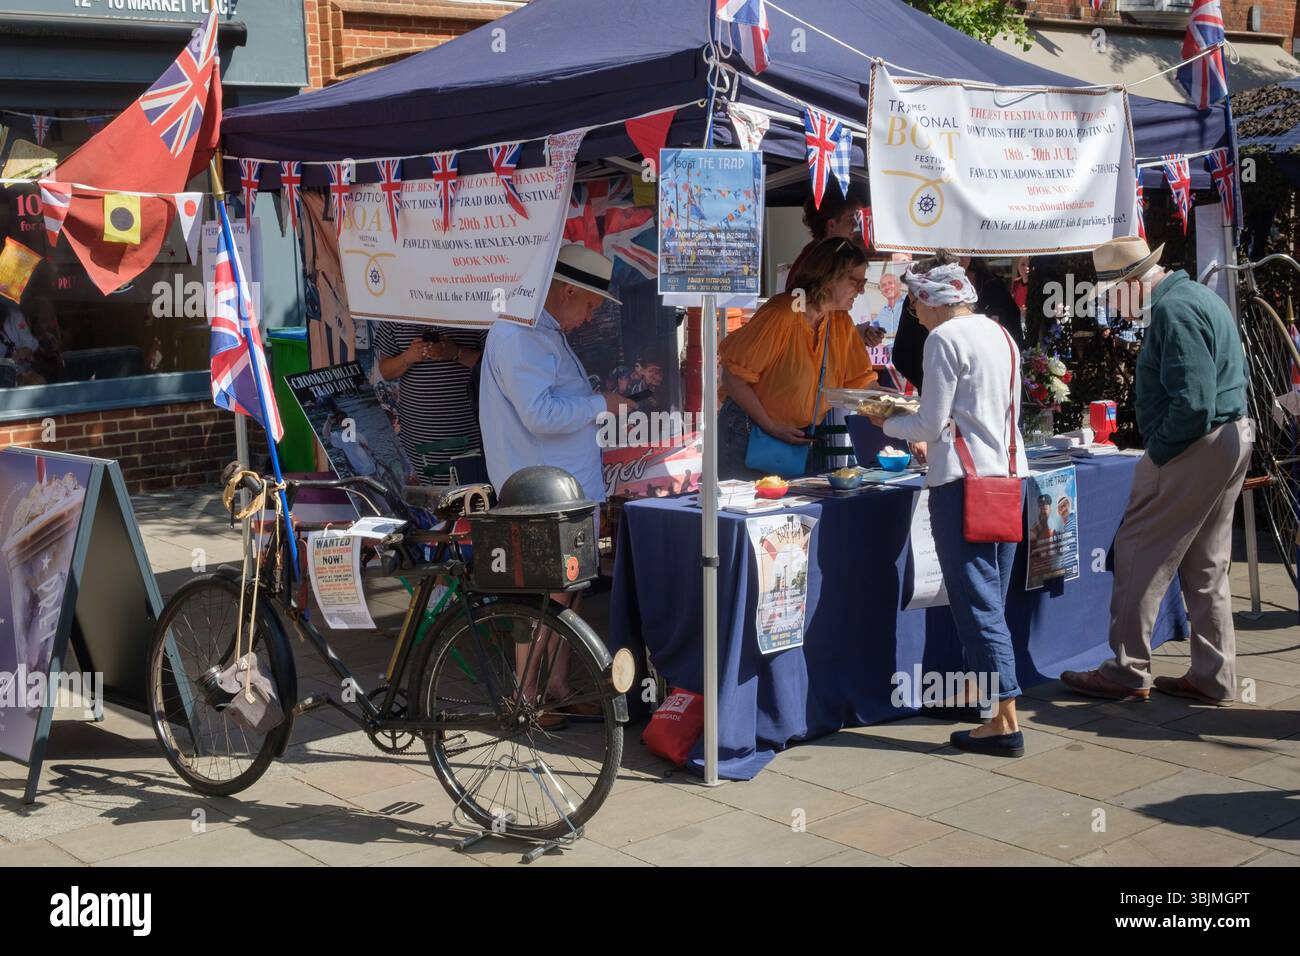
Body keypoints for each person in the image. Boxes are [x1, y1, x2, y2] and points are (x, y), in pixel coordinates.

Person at [1061, 236, 1250, 706]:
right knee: (1205, 566)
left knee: (1136, 553)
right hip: (1226, 438)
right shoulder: (1193, 297)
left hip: (1196, 446)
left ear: (1129, 284)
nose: (1111, 308)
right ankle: (1215, 676)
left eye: (1110, 296)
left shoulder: (1173, 310)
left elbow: (1193, 403)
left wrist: (1159, 453)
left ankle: (1128, 671)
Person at [867, 258, 1029, 757]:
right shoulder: (1001, 336)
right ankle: (998, 713)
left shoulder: (944, 340)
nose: (913, 310)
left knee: (976, 600)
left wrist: (885, 420)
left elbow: (931, 424)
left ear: (936, 299)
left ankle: (1005, 720)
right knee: (991, 598)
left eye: (916, 300)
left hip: (964, 483)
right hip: (1007, 477)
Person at [479, 244, 634, 722]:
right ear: (568, 290)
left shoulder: (538, 329)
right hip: (540, 493)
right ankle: (525, 698)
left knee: (569, 590)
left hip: (562, 490)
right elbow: (539, 414)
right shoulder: (519, 334)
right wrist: (598, 404)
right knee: (545, 597)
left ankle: (557, 687)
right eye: (590, 305)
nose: (590, 317)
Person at [718, 237, 879, 480]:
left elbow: (862, 384)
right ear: (827, 276)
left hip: (795, 437)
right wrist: (771, 426)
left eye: (863, 281)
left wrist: (899, 408)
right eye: (855, 281)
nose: (862, 290)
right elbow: (733, 377)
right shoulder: (782, 314)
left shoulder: (839, 321)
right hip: (750, 434)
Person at [374, 322, 486, 485]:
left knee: (474, 498)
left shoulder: (473, 303)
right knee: (430, 501)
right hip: (418, 434)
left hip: (470, 430)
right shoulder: (395, 312)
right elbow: (386, 371)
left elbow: (493, 363)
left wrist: (457, 352)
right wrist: (408, 357)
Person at [960, 255, 1025, 351]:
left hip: (993, 352)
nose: (959, 257)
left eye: (963, 251)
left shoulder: (993, 285)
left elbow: (1012, 320)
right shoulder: (936, 284)